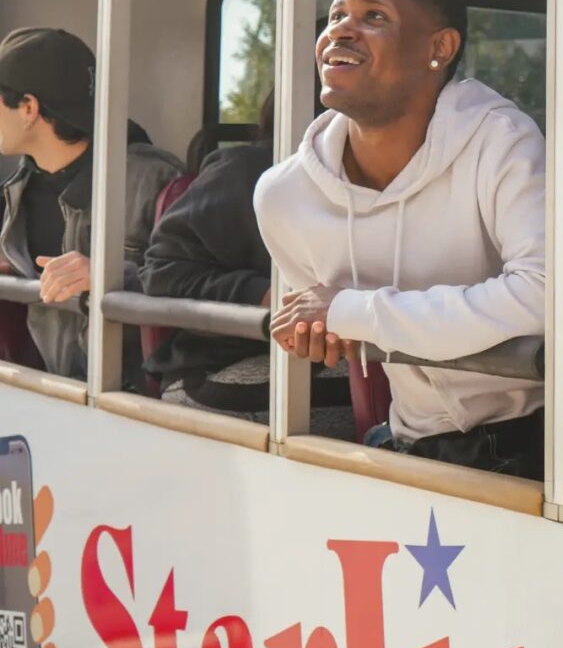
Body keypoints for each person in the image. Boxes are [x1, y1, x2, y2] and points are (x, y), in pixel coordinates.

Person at [254, 0, 547, 479]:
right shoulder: (284, 195)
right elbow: (327, 320)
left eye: (374, 16)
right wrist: (323, 327)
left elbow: (544, 295)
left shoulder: (501, 141)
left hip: (540, 441)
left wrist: (352, 311)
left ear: (440, 48)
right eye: (335, 16)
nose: (341, 30)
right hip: (412, 439)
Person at [142, 93, 351, 431]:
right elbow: (161, 272)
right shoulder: (244, 170)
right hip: (222, 365)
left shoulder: (394, 183)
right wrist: (268, 296)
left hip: (329, 355)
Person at [0, 28, 182, 378]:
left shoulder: (159, 180)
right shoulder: (14, 193)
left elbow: (197, 281)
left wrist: (111, 276)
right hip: (51, 391)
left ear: (28, 108)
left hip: (133, 397)